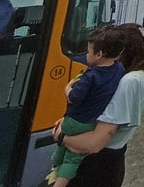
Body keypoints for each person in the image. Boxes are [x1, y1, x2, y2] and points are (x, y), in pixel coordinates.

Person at [54, 23, 144, 187]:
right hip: (108, 162)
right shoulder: (132, 75)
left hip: (98, 166)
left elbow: (96, 143)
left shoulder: (129, 81)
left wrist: (61, 136)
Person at [48, 26, 127, 187]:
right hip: (91, 123)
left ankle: (56, 174)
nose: (86, 55)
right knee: (72, 158)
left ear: (99, 54)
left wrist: (68, 88)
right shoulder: (119, 69)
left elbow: (75, 98)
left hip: (75, 121)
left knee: (69, 157)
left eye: (88, 51)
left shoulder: (91, 76)